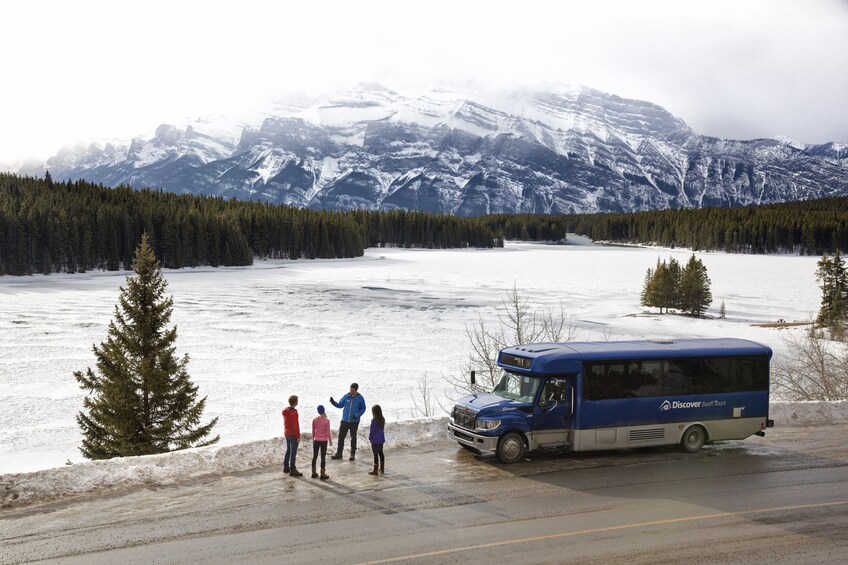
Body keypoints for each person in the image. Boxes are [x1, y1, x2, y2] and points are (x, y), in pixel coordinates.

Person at [329, 382, 366, 460]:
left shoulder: (360, 398)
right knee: (341, 437)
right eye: (350, 389)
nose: (351, 391)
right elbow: (340, 405)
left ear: (356, 390)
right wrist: (333, 402)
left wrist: (356, 415)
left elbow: (363, 409)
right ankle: (339, 453)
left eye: (353, 390)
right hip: (345, 420)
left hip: (354, 421)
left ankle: (352, 454)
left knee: (353, 437)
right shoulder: (346, 396)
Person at [282, 395, 303, 477]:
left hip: (286, 432)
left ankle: (286, 467)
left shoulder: (285, 411)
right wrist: (298, 436)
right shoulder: (294, 413)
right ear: (296, 402)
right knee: (293, 452)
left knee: (288, 450)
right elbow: (295, 425)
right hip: (292, 434)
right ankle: (293, 469)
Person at [311, 405, 332, 480]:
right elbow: (328, 432)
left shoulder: (315, 420)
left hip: (316, 440)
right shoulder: (327, 421)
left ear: (318, 411)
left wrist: (313, 438)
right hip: (323, 441)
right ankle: (322, 474)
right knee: (323, 457)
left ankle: (313, 473)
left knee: (315, 456)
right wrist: (330, 440)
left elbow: (313, 431)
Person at [368, 404, 386, 476]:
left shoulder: (374, 420)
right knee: (381, 453)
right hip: (381, 439)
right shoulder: (382, 419)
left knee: (375, 455)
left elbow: (372, 430)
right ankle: (382, 468)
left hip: (375, 440)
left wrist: (370, 437)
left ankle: (375, 470)